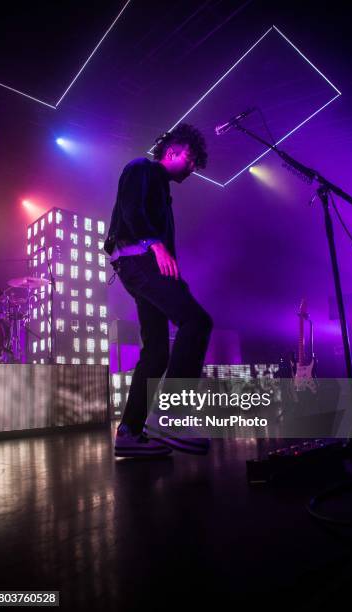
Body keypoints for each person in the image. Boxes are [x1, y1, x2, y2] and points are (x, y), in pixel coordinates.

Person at [106, 124, 213, 458]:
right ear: (173, 151)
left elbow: (164, 245)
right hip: (138, 262)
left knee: (156, 351)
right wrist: (155, 245)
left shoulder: (164, 193)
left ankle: (129, 431)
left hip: (143, 266)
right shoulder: (140, 168)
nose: (194, 168)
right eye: (192, 159)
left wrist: (175, 278)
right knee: (196, 323)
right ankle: (172, 416)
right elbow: (130, 211)